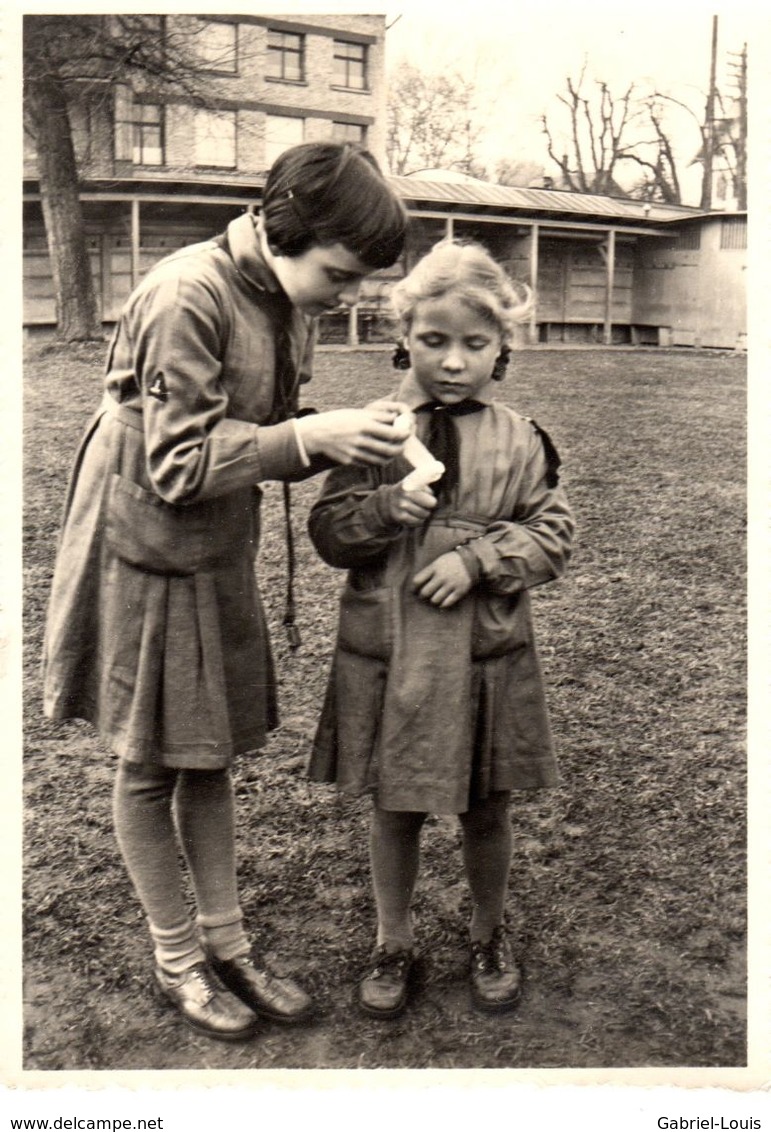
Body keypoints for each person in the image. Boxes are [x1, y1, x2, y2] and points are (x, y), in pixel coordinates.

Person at [42, 143, 411, 1042]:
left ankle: (227, 945)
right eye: (340, 273)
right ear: (288, 232)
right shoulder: (185, 293)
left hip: (214, 540)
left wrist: (340, 436)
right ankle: (178, 962)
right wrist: (311, 437)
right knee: (148, 761)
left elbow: (266, 428)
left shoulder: (286, 298)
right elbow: (176, 463)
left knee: (205, 752)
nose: (348, 294)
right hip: (143, 541)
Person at [307, 240, 575, 1018]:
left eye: (473, 343)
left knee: (486, 804)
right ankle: (393, 939)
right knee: (394, 804)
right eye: (433, 341)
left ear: (502, 349)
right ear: (404, 337)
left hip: (481, 655)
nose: (452, 362)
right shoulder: (373, 432)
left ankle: (489, 932)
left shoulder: (522, 437)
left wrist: (481, 558)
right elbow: (329, 533)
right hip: (393, 654)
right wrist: (383, 509)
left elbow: (553, 532)